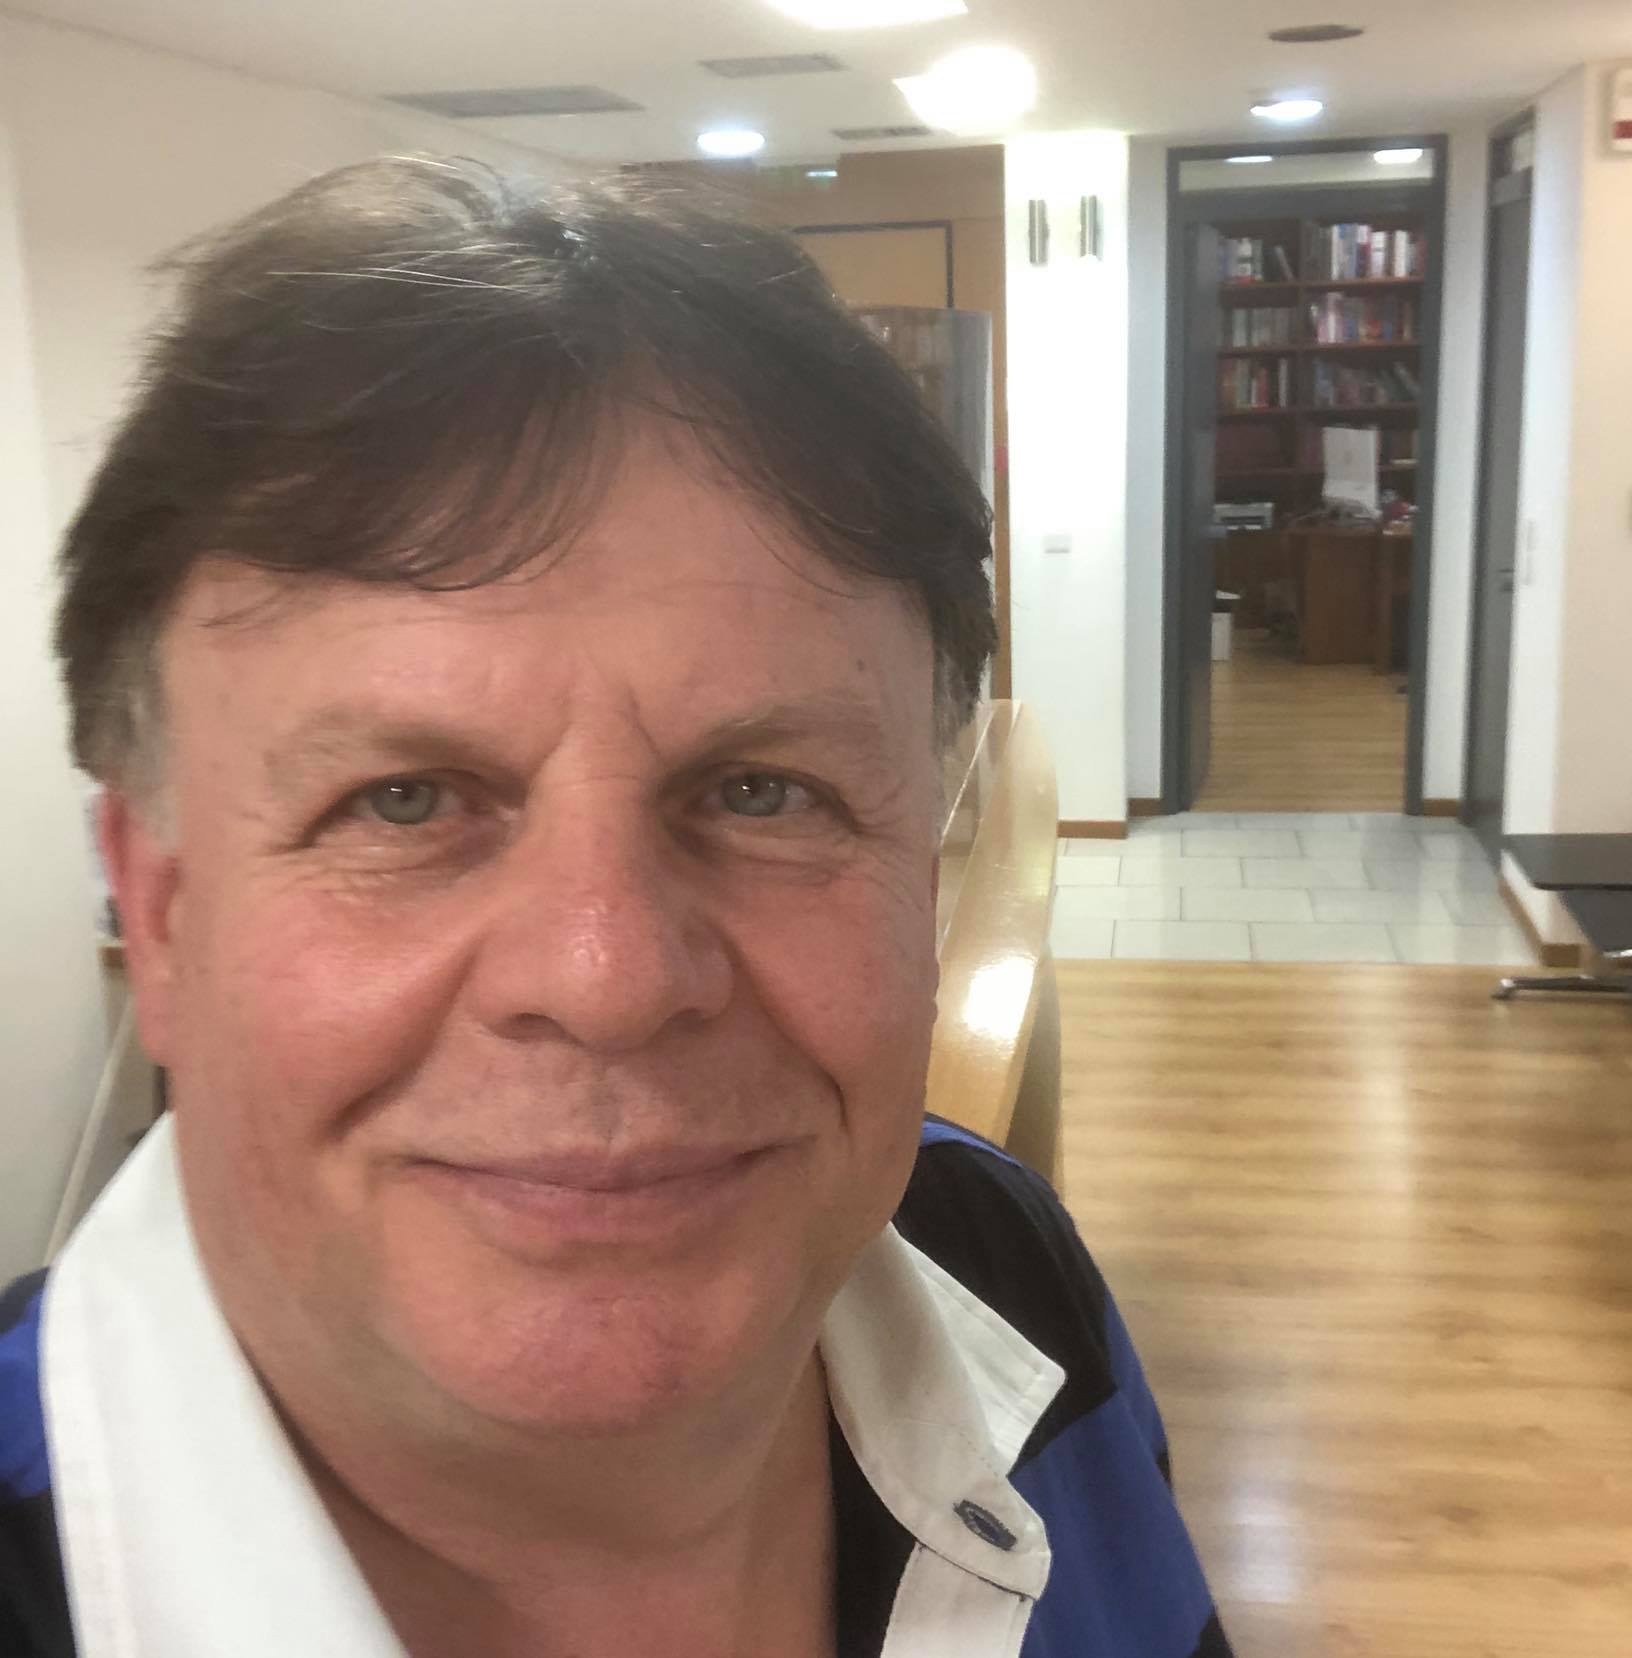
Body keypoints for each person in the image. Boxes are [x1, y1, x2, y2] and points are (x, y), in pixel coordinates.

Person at [0, 157, 1230, 1658]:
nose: (610, 975)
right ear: (162, 912)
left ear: (919, 879)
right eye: (403, 801)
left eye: (764, 792)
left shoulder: (994, 1256)